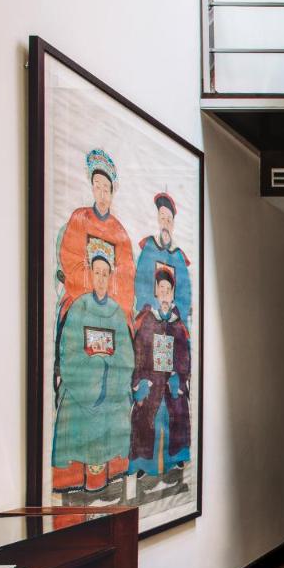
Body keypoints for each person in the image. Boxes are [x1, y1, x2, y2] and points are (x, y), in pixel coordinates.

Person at [51, 244, 135, 493]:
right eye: (96, 273)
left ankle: (112, 480)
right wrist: (94, 368)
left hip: (110, 385)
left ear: (110, 278)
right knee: (71, 408)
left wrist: (108, 372)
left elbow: (126, 357)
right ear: (91, 275)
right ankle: (74, 483)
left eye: (104, 274)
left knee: (120, 408)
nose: (100, 278)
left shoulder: (117, 314)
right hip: (83, 385)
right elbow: (68, 351)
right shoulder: (79, 308)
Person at [55, 149, 136, 324]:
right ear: (92, 188)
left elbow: (126, 278)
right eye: (98, 187)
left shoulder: (120, 233)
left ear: (112, 192)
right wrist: (95, 290)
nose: (102, 194)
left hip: (112, 306)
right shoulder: (79, 218)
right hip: (80, 299)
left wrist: (107, 297)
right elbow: (70, 262)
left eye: (106, 189)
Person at [129, 266, 192, 478]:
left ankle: (177, 457)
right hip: (151, 383)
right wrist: (140, 381)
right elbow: (139, 352)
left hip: (171, 384)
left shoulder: (178, 325)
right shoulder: (147, 319)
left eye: (168, 289)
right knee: (144, 417)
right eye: (161, 288)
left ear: (172, 293)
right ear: (156, 291)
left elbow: (184, 357)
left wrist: (179, 379)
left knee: (177, 413)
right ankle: (143, 463)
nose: (165, 293)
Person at [135, 192, 192, 324]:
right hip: (150, 317)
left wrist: (174, 314)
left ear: (173, 224)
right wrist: (151, 310)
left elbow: (185, 294)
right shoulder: (149, 246)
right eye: (162, 218)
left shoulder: (178, 256)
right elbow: (140, 283)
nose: (165, 224)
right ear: (158, 219)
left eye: (169, 220)